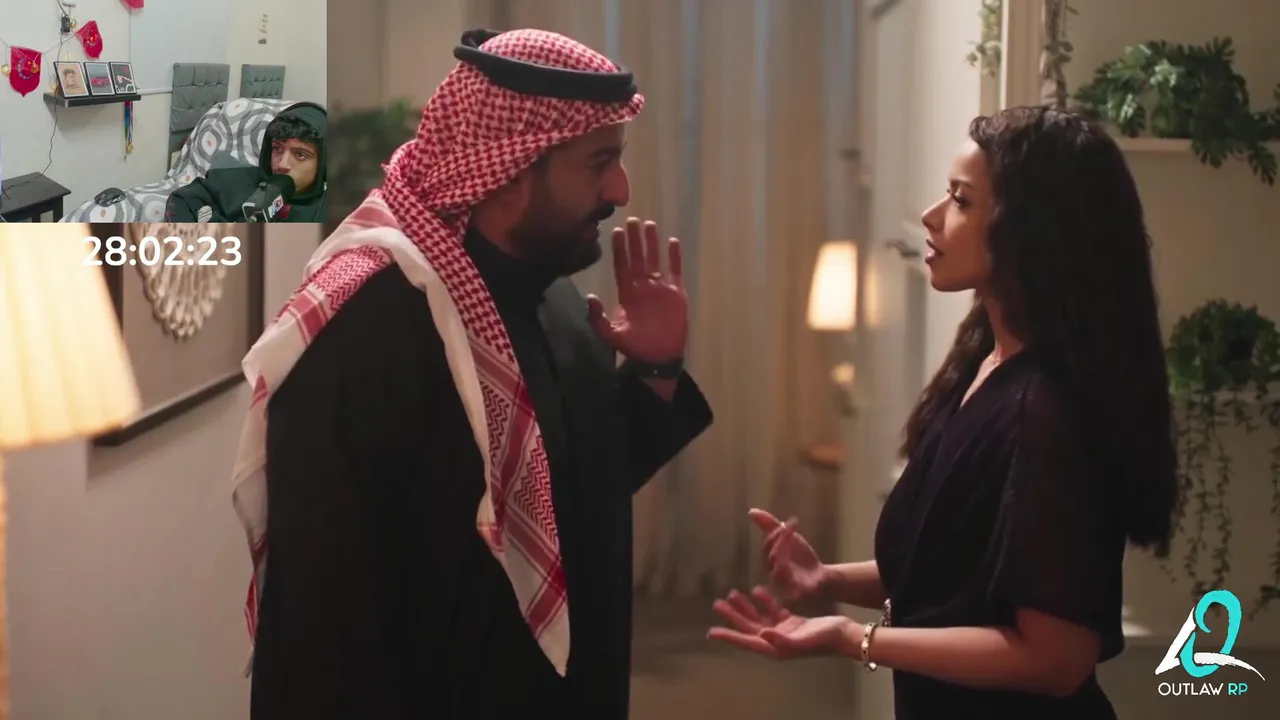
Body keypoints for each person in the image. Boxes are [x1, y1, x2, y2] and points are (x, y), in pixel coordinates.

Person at [229, 29, 713, 719]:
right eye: (599, 162)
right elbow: (325, 624)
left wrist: (657, 368)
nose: (620, 189)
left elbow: (568, 495)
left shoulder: (556, 297)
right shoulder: (368, 324)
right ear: (509, 170)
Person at [708, 106, 1178, 719]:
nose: (931, 216)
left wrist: (853, 638)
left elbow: (1056, 658)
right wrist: (829, 581)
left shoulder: (1046, 411)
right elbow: (959, 572)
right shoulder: (986, 362)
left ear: (1028, 230)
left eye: (960, 200)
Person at [165, 101, 327, 222]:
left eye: (300, 155)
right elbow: (180, 199)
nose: (282, 165)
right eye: (277, 149)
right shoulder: (239, 180)